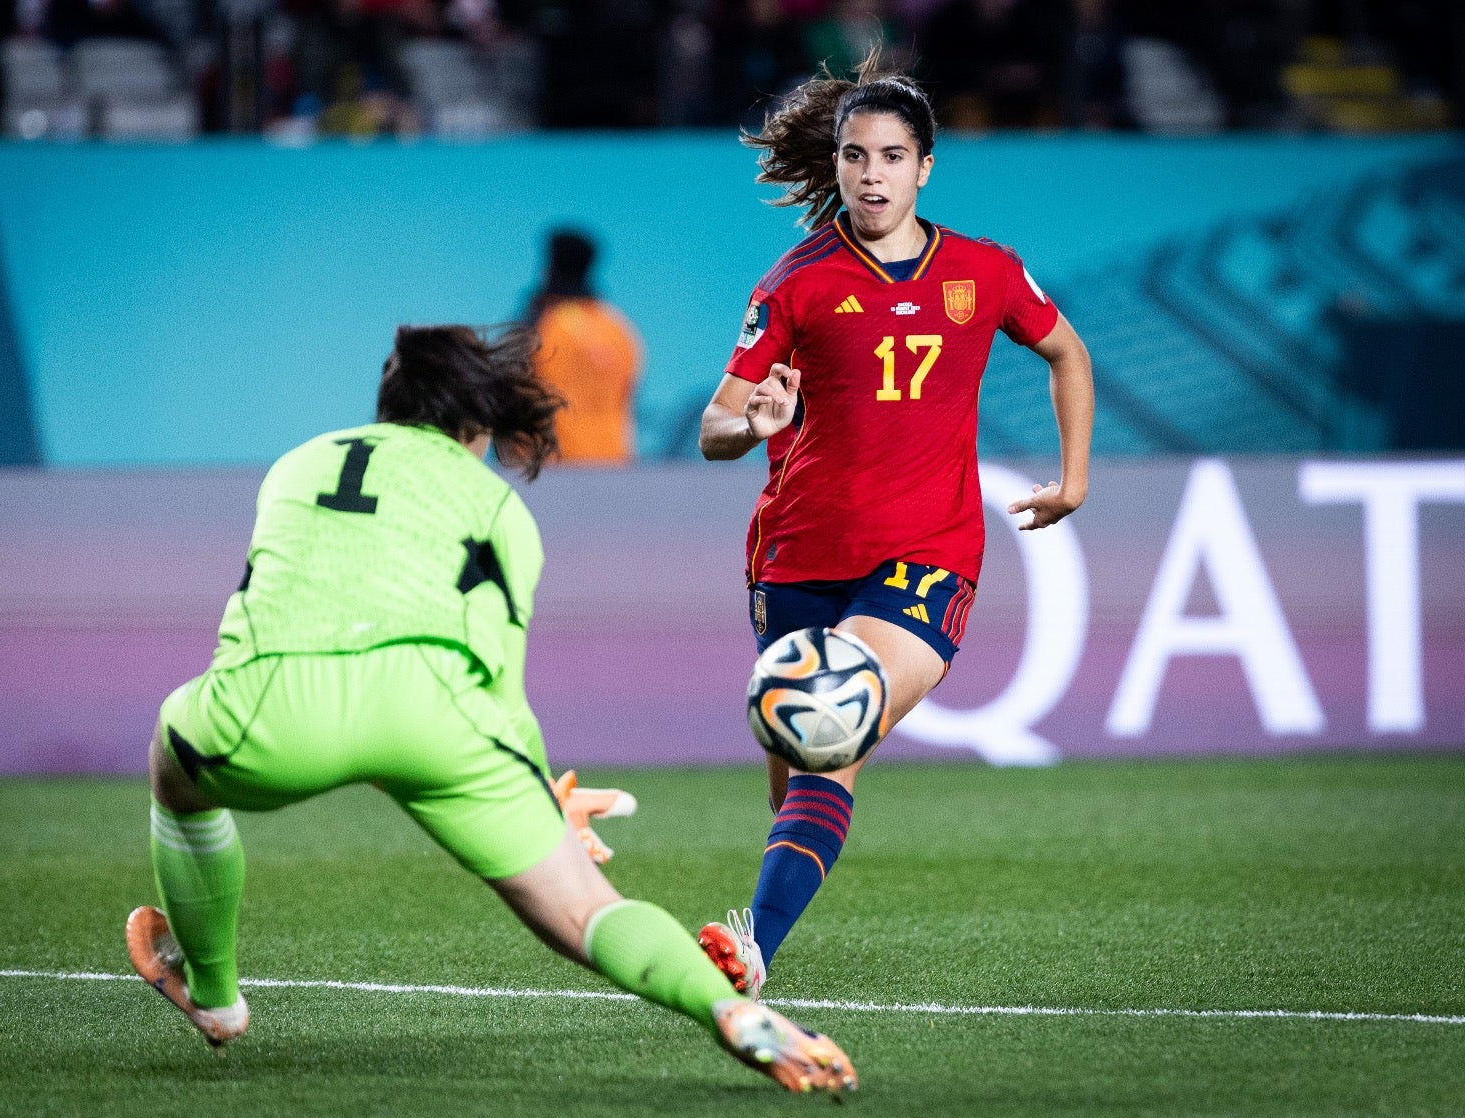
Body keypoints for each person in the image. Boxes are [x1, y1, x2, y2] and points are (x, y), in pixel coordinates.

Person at [124, 322, 856, 1096]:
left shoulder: (299, 464)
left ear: (389, 400)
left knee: (175, 775)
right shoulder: (502, 511)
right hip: (440, 718)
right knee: (588, 910)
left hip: (277, 709)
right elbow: (498, 686)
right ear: (478, 420)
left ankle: (214, 995)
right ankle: (729, 1010)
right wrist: (542, 800)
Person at [694, 54, 1093, 1000]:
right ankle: (769, 916)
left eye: (892, 157)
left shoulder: (985, 272)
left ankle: (753, 948)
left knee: (833, 730)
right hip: (798, 556)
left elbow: (1067, 353)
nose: (871, 175)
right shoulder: (794, 284)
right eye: (854, 156)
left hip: (927, 554)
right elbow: (714, 426)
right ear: (835, 163)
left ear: (925, 168)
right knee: (799, 776)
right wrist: (752, 427)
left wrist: (1074, 481)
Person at [526, 229, 644, 465]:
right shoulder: (618, 328)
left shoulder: (543, 325)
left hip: (552, 464)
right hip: (613, 460)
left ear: (551, 269)